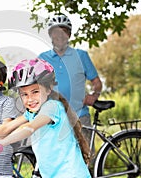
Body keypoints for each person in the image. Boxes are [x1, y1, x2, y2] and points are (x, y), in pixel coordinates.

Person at [0, 58, 91, 178]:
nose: (30, 99)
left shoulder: (52, 107)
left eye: (35, 92)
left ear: (48, 89)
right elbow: (7, 127)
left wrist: (2, 142)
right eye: (24, 94)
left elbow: (30, 127)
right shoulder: (32, 113)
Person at [38, 14, 102, 144]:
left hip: (80, 116)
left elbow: (97, 83)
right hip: (53, 118)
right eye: (56, 32)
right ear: (50, 35)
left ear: (69, 35)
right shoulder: (43, 58)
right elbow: (35, 86)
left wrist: (94, 95)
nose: (60, 35)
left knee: (86, 160)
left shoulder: (81, 55)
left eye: (64, 31)